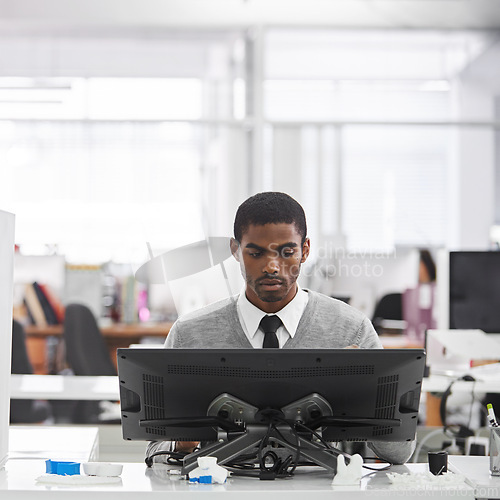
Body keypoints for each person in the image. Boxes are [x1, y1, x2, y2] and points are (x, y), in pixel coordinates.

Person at [148, 191, 415, 465]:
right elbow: (153, 452)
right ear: (235, 250)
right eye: (256, 253)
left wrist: (367, 392)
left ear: (305, 250)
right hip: (219, 489)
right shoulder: (190, 333)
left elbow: (398, 454)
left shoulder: (351, 329)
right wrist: (180, 442)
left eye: (287, 252)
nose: (272, 266)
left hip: (320, 489)